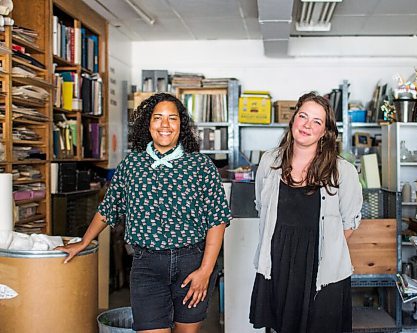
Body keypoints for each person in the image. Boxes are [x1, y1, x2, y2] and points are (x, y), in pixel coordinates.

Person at [57, 93, 231, 333]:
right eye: (158, 118)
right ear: (147, 124)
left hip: (192, 263)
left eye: (172, 118)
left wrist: (205, 270)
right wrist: (84, 241)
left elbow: (217, 219)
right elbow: (109, 208)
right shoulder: (132, 164)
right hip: (146, 265)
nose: (165, 125)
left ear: (182, 124)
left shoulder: (200, 165)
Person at [249, 92, 363, 333]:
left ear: (325, 132)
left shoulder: (343, 171)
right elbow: (261, 206)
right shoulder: (269, 162)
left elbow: (349, 224)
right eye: (303, 116)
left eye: (317, 121)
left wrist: (322, 249)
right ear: (293, 120)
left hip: (322, 267)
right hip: (278, 265)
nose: (307, 125)